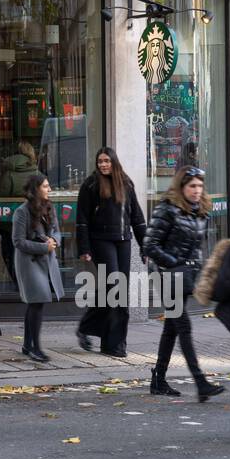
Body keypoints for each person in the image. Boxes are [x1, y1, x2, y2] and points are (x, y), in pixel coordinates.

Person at [142, 166, 225, 401]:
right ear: (181, 187)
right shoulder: (167, 209)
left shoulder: (200, 211)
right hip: (167, 275)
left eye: (200, 186)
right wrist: (175, 263)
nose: (197, 190)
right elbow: (149, 245)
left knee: (172, 329)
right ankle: (200, 382)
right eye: (192, 186)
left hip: (185, 276)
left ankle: (158, 379)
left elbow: (197, 247)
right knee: (184, 327)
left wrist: (198, 270)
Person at [75, 146, 147, 357]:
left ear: (114, 162)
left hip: (123, 240)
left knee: (119, 292)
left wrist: (145, 246)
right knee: (114, 286)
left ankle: (114, 344)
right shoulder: (90, 185)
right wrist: (84, 248)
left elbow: (138, 219)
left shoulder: (126, 184)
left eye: (107, 161)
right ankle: (90, 329)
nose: (103, 165)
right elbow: (82, 220)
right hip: (101, 241)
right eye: (100, 161)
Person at [12, 173, 64, 363]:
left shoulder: (49, 208)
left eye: (48, 186)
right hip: (29, 262)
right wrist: (44, 247)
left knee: (35, 303)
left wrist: (54, 241)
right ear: (35, 189)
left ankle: (28, 345)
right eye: (45, 186)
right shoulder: (22, 212)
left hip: (46, 260)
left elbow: (57, 231)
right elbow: (17, 242)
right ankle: (35, 348)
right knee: (37, 301)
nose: (48, 189)